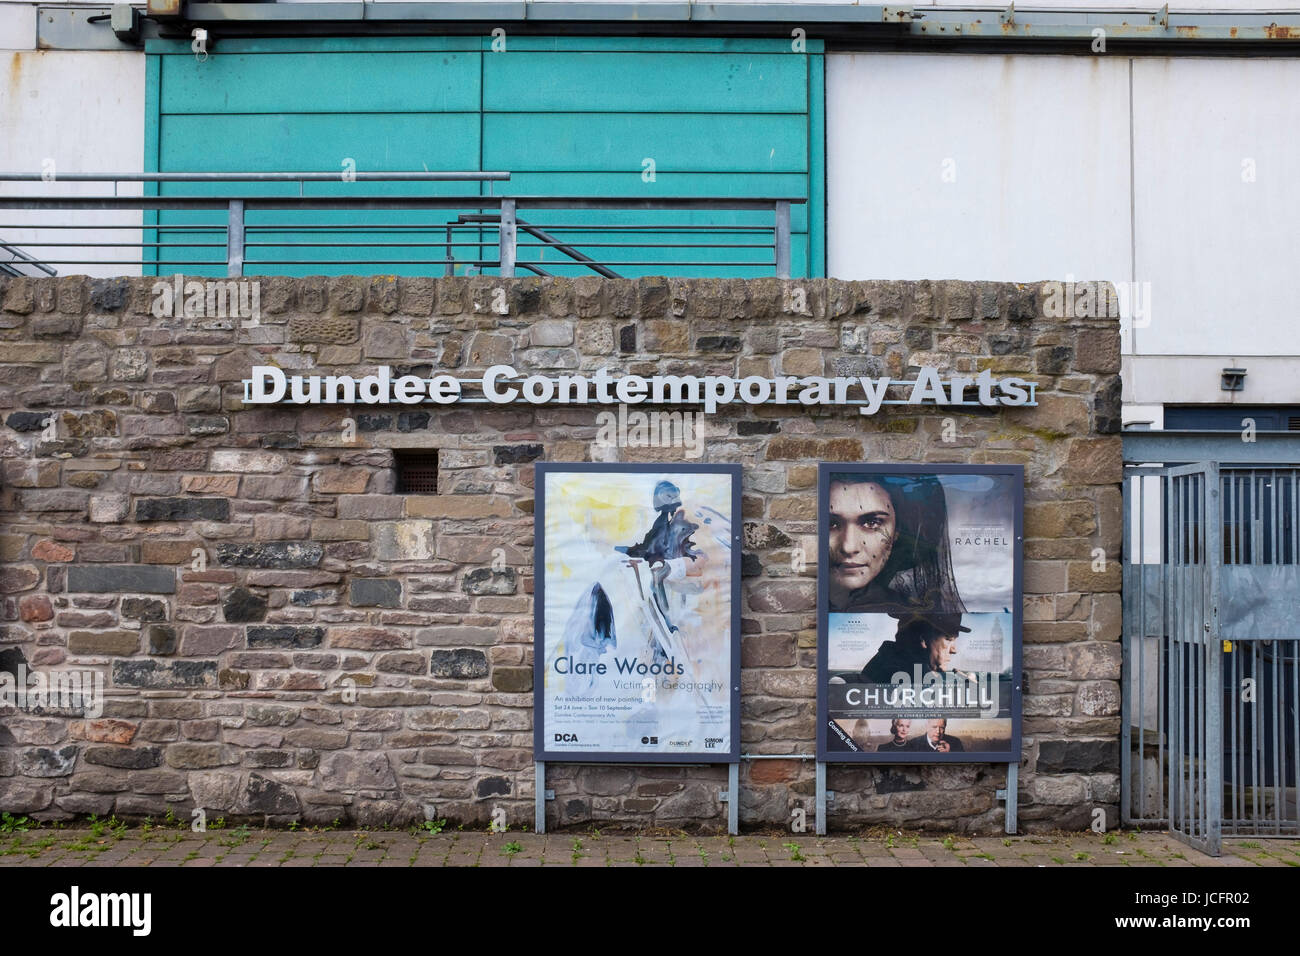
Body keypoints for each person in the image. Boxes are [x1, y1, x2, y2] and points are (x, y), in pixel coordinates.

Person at [827, 473, 966, 614]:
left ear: (897, 531)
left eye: (872, 523)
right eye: (831, 524)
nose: (848, 547)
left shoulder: (910, 617)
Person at [859, 612, 971, 684]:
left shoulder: (886, 659)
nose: (954, 650)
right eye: (948, 639)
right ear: (923, 640)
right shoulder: (917, 677)